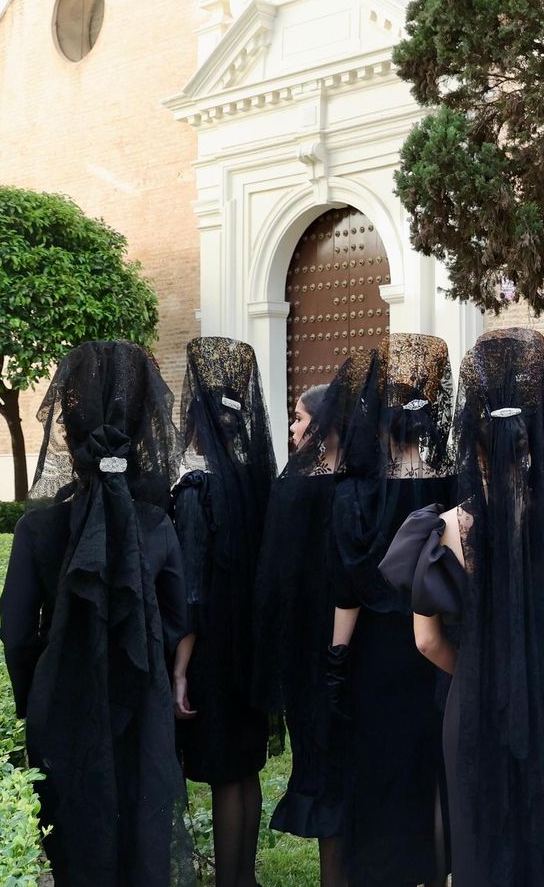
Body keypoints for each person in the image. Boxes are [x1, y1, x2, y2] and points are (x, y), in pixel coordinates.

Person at [378, 328, 544, 887]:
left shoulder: (441, 531)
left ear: (471, 433)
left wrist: (483, 671)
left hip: (474, 705)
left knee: (481, 847)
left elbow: (426, 641)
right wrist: (538, 667)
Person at [0, 340, 192, 885]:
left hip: (59, 703)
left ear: (65, 429)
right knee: (141, 834)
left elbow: (16, 632)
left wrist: (33, 693)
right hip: (142, 703)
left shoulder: (35, 530)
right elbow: (178, 619)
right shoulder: (157, 526)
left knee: (71, 843)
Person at [329, 334, 459, 885]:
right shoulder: (454, 485)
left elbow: (347, 587)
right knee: (437, 774)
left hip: (377, 654)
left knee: (382, 776)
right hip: (441, 647)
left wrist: (336, 658)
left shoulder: (355, 494)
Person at [256, 352, 367, 887]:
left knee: (325, 777)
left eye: (299, 418)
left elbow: (276, 578)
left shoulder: (295, 488)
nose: (293, 428)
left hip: (310, 653)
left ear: (321, 428)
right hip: (364, 651)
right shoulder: (369, 485)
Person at [170, 336, 278, 887]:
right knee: (246, 767)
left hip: (213, 649)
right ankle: (244, 877)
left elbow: (192, 589)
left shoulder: (196, 489)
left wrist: (181, 669)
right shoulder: (257, 483)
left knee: (223, 773)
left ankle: (228, 883)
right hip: (251, 647)